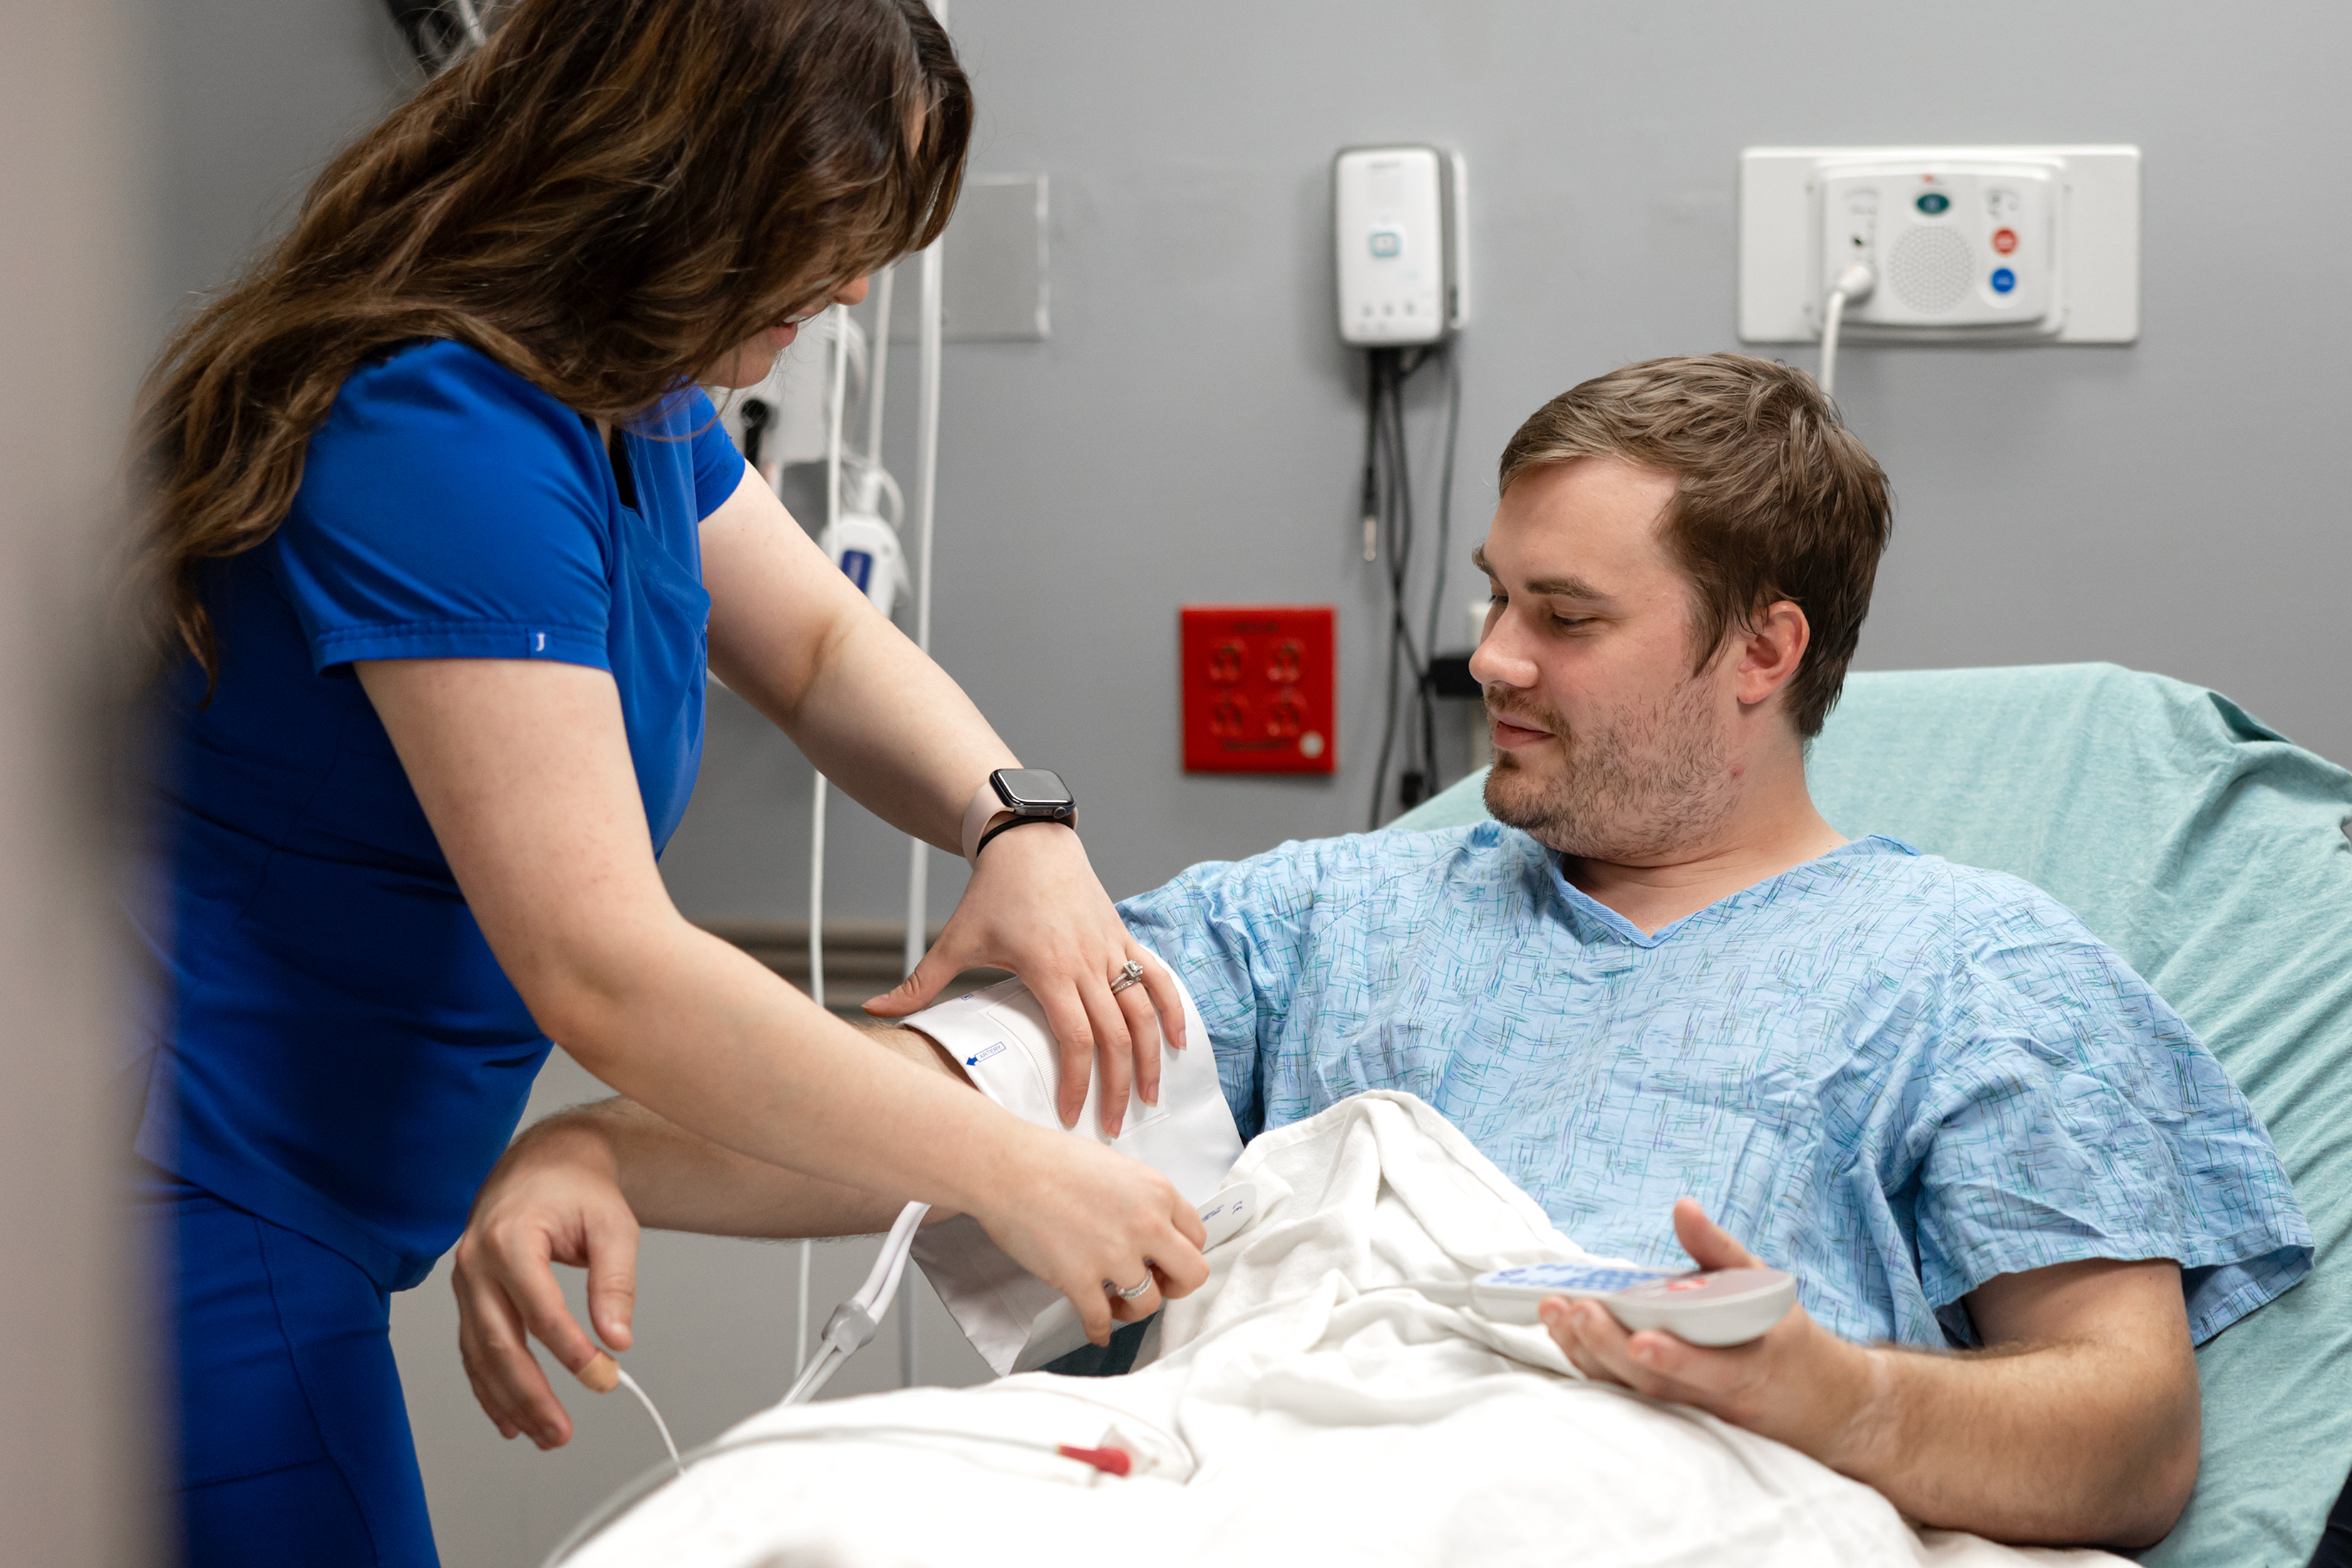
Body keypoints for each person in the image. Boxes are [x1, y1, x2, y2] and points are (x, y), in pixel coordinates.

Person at [456, 354, 2308, 1550]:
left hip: (1638, 1483)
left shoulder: (1976, 971)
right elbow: (962, 1093)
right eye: (1494, 597)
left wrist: (1839, 1395)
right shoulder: (1334, 914)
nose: (1490, 657)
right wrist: (600, 1149)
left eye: (1564, 617)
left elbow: (2129, 1433)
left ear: (1761, 649)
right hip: (1262, 1451)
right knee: (760, 1508)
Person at [126, 4, 1209, 1564]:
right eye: (833, 222)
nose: (854, 285)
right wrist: (1017, 1170)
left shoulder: (626, 397)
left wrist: (1018, 822)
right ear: (680, 173)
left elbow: (822, 646)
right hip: (175, 1184)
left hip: (287, 1195)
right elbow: (608, 969)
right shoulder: (442, 430)